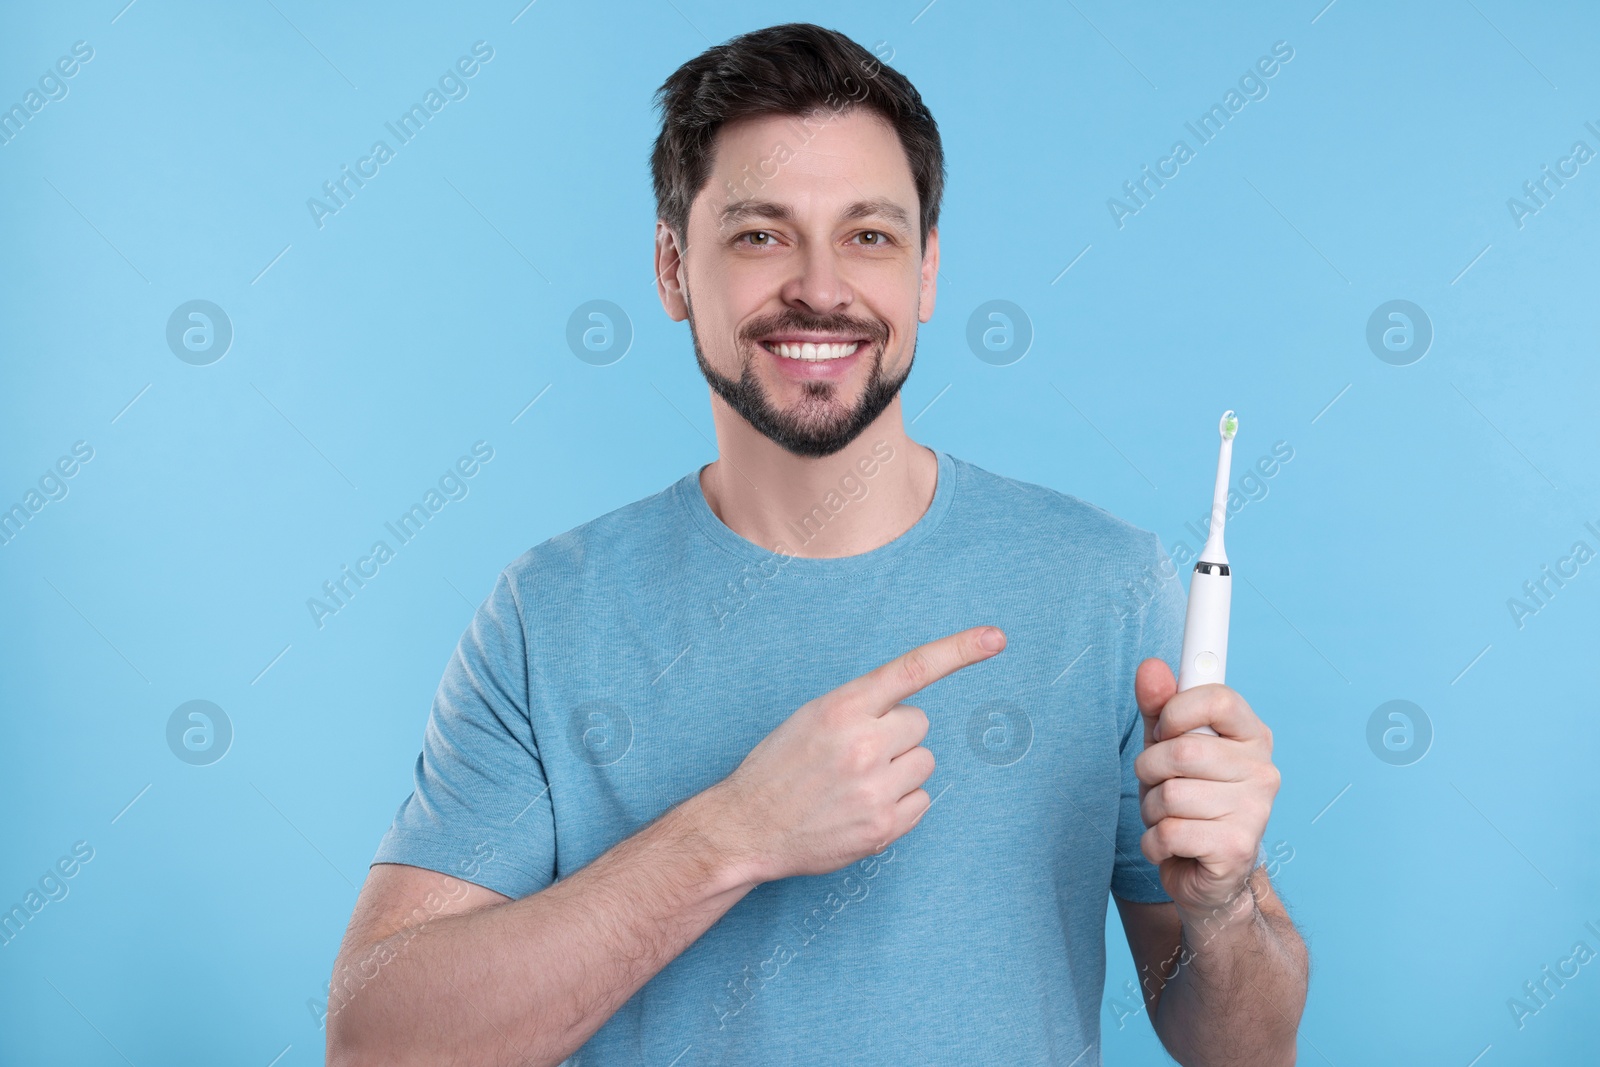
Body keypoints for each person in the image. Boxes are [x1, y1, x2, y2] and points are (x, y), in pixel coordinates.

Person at [326, 22, 1307, 1067]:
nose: (821, 287)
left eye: (868, 236)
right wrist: (732, 833)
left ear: (925, 272)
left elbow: (1244, 1048)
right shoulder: (548, 613)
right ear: (672, 268)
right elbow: (380, 1041)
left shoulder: (1107, 587)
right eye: (759, 235)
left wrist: (1222, 903)